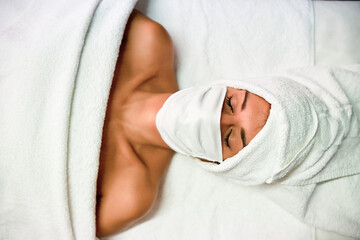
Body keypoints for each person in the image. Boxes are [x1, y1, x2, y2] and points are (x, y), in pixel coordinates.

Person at [96, 10, 271, 237]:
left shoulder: (131, 194)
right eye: (230, 103)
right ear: (227, 86)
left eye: (230, 138)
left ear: (215, 163)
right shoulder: (147, 40)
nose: (216, 118)